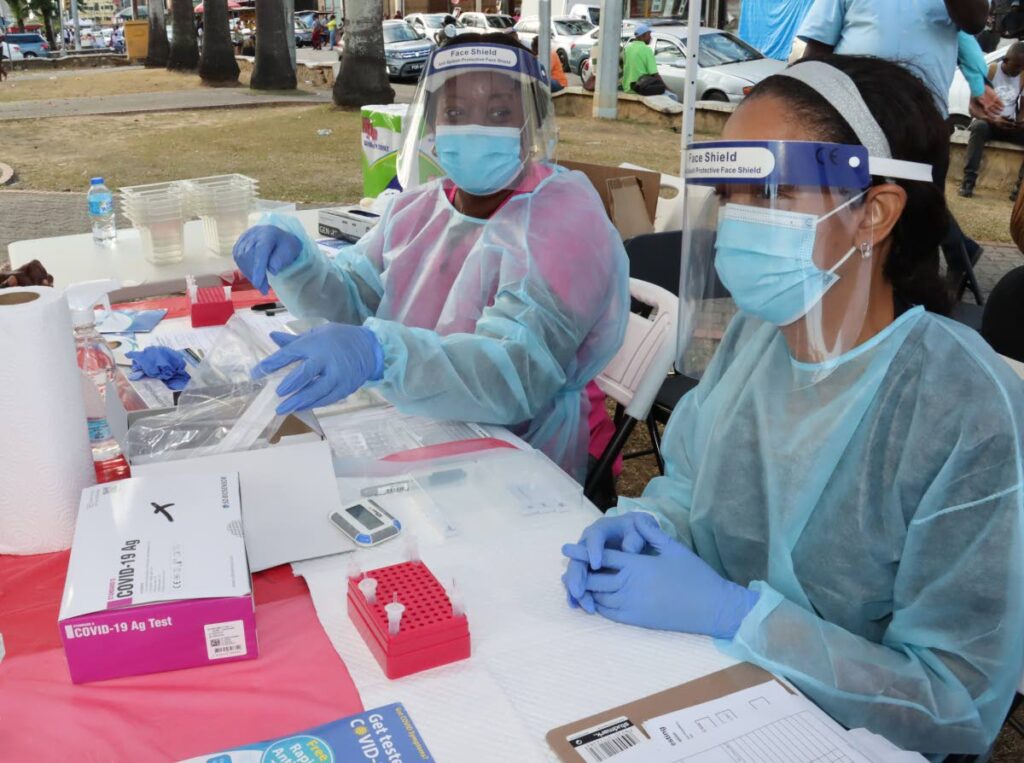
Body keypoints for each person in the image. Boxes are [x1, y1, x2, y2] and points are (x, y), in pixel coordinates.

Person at [561, 55, 1024, 758]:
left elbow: (952, 699)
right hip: (706, 690)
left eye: (768, 192)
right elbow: (693, 484)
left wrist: (736, 612)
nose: (737, 221)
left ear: (873, 211)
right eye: (729, 195)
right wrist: (648, 523)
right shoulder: (761, 335)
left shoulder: (963, 406)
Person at [232, 33, 629, 483]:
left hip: (537, 452)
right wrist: (298, 266)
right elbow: (356, 302)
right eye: (456, 112)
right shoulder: (419, 208)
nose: (476, 127)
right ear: (433, 124)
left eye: (500, 112)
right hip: (433, 427)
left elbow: (514, 378)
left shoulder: (562, 218)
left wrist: (383, 355)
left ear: (531, 122)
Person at [797, 0, 992, 291]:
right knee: (848, 214)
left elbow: (975, 21)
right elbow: (818, 48)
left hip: (923, 127)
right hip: (855, 119)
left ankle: (917, 309)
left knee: (920, 223)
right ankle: (843, 295)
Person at [960, 42, 1024, 198]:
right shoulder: (990, 72)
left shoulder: (1023, 76)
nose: (1018, 71)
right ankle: (968, 181)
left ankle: (1019, 189)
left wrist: (1021, 122)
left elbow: (1022, 109)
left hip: (1009, 125)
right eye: (1016, 67)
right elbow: (972, 108)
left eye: (1021, 68)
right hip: (988, 123)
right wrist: (993, 119)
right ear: (1006, 60)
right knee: (979, 127)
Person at [621, 23, 661, 95]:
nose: (650, 38)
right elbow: (654, 74)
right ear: (643, 36)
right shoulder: (647, 50)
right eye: (649, 35)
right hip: (640, 88)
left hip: (627, 88)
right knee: (672, 96)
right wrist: (667, 88)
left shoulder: (627, 48)